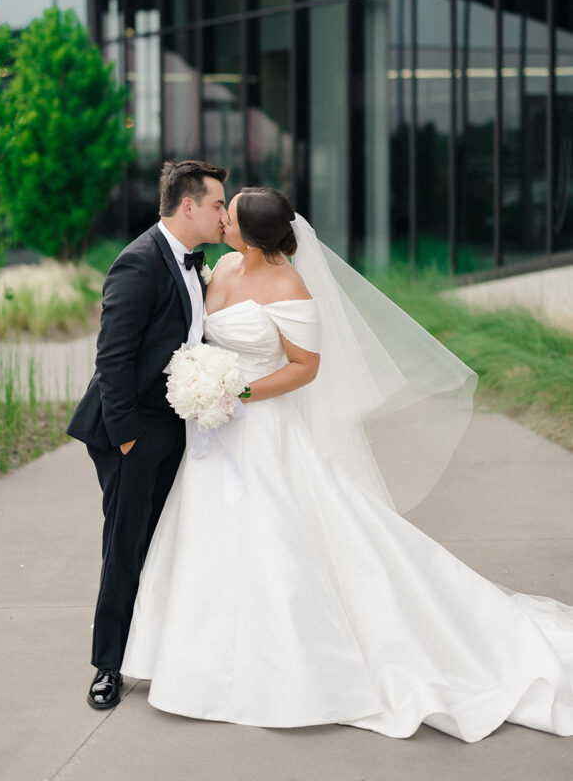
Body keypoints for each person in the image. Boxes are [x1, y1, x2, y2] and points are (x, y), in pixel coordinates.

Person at [120, 186, 573, 741]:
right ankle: (200, 661)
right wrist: (201, 383)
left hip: (261, 431)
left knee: (278, 540)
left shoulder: (290, 286)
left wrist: (235, 395)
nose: (222, 220)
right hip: (214, 440)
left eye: (230, 216)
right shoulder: (225, 265)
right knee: (209, 538)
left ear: (256, 238)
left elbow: (305, 367)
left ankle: (289, 668)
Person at [66, 159, 228, 709]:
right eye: (217, 204)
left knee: (163, 544)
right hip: (130, 431)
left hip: (174, 426)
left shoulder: (195, 264)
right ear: (189, 206)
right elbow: (111, 359)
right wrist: (129, 438)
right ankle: (108, 666)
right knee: (125, 548)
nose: (222, 213)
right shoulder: (137, 262)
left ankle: (154, 651)